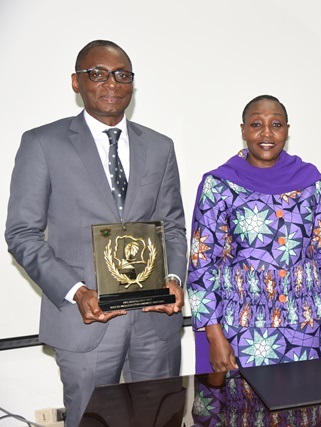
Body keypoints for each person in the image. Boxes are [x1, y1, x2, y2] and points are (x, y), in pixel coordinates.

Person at [5, 40, 187, 427]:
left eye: (121, 75)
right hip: (84, 321)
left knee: (162, 420)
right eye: (97, 73)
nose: (111, 83)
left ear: (132, 85)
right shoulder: (42, 144)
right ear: (76, 82)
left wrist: (172, 278)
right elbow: (22, 233)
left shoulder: (159, 146)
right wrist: (76, 291)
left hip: (155, 322)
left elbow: (172, 225)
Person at [187, 94, 321, 373]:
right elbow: (202, 263)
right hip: (241, 328)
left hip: (306, 324)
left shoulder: (310, 182)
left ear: (287, 130)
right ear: (243, 130)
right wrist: (213, 334)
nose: (266, 133)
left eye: (276, 124)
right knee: (248, 410)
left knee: (306, 405)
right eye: (256, 124)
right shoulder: (220, 185)